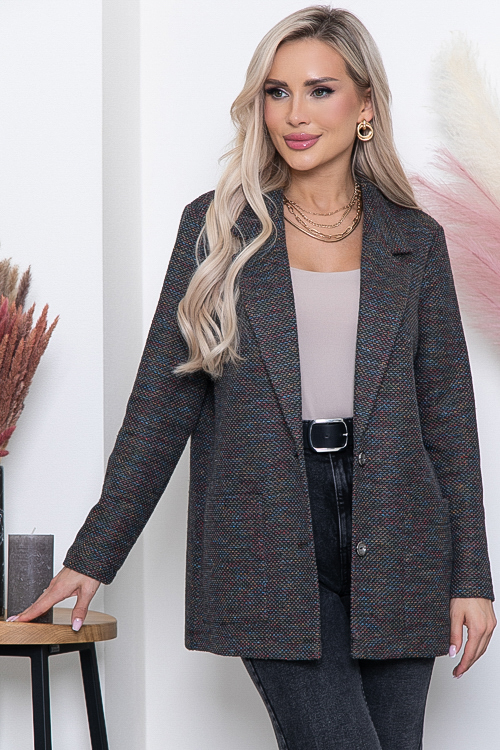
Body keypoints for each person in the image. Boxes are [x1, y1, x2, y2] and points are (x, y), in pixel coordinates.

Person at [10, 6, 496, 749]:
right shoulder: (216, 229)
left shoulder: (415, 240)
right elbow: (160, 407)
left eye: (320, 90)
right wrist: (92, 555)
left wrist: (471, 578)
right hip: (267, 533)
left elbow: (449, 423)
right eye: (277, 91)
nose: (295, 114)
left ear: (365, 106)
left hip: (401, 540)